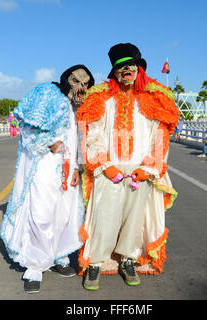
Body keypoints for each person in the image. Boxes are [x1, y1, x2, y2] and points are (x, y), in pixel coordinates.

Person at [76, 43, 179, 290]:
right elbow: (93, 133)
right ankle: (96, 262)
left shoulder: (155, 97)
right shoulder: (102, 96)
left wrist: (150, 167)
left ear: (138, 68)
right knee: (104, 216)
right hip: (109, 169)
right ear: (115, 71)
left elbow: (160, 136)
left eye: (130, 65)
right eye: (121, 67)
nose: (126, 70)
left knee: (135, 219)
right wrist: (104, 164)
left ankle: (128, 259)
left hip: (139, 170)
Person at [0, 65, 95, 293]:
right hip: (43, 164)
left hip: (68, 167)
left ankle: (58, 256)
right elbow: (25, 126)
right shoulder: (47, 94)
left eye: (86, 83)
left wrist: (76, 169)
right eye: (76, 81)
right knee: (41, 213)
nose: (81, 87)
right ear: (67, 80)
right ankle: (34, 265)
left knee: (64, 214)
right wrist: (47, 142)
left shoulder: (80, 107)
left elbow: (81, 137)